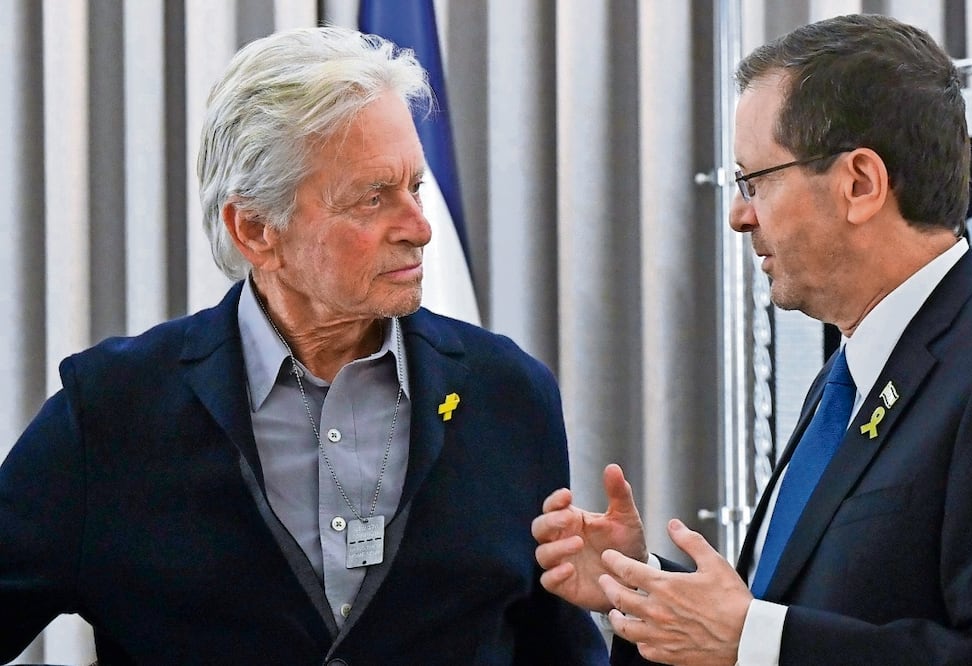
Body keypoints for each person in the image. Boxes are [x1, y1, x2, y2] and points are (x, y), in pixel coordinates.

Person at [0, 26, 607, 664]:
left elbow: (561, 651)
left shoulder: (508, 393)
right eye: (374, 199)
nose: (420, 228)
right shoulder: (109, 411)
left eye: (414, 187)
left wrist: (647, 597)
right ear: (257, 229)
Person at [533, 13, 972, 666]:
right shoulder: (850, 374)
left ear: (860, 184)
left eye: (756, 181)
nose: (739, 215)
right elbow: (803, 610)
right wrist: (648, 587)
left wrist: (752, 638)